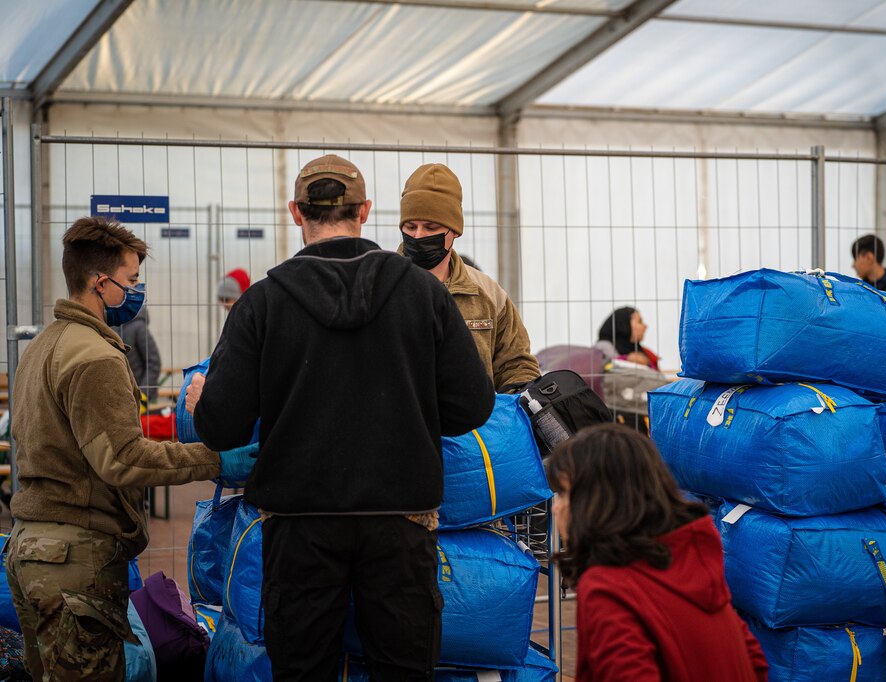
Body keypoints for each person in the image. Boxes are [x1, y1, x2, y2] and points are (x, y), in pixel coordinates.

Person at [189, 154, 495, 681]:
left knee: (304, 670)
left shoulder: (262, 303)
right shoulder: (423, 293)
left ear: (294, 212)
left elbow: (222, 429)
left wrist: (203, 400)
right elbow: (473, 404)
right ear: (367, 211)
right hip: (402, 522)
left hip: (299, 527)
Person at [6, 217, 230, 680]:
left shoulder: (42, 348)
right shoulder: (95, 356)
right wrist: (216, 458)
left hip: (32, 549)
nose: (136, 291)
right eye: (131, 281)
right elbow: (124, 458)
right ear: (100, 282)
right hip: (75, 563)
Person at [546, 424, 768, 681]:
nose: (555, 508)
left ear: (596, 501)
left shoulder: (609, 589)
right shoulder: (698, 565)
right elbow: (755, 662)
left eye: (563, 493)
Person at [399, 163, 540, 391]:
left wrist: (504, 413)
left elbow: (516, 365)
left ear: (454, 230)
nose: (418, 235)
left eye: (431, 227)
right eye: (410, 226)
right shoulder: (381, 284)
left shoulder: (488, 294)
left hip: (475, 426)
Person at [114, 305, 162, 403]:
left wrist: (143, 394)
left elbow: (154, 362)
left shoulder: (139, 327)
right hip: (117, 395)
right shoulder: (111, 325)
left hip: (136, 396)